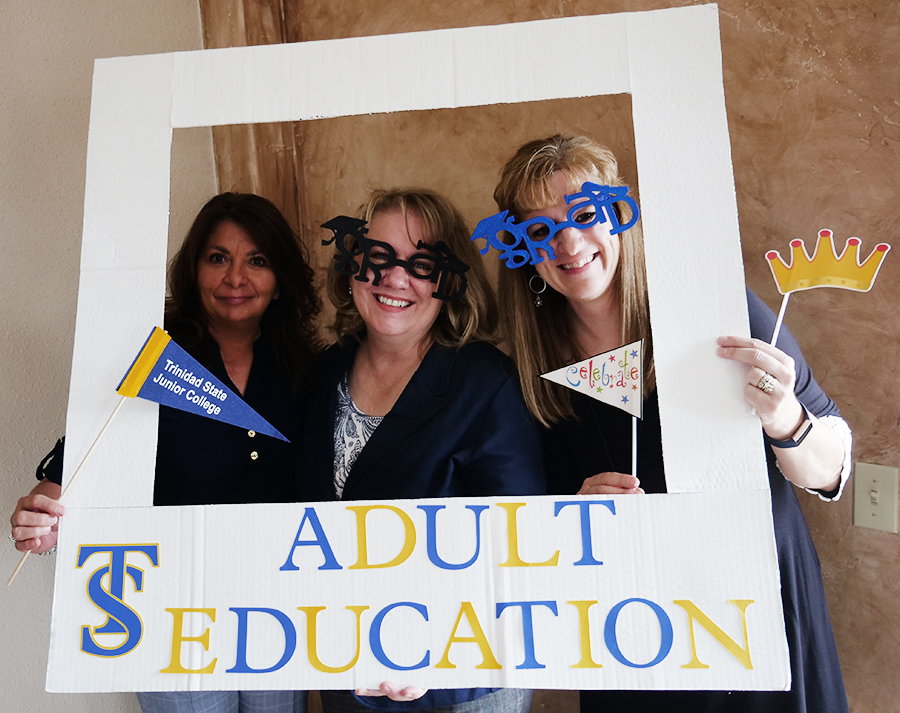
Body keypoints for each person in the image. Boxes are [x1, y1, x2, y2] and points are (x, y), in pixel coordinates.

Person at [491, 134, 852, 713]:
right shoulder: (529, 361)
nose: (569, 242)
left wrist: (786, 417)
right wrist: (574, 511)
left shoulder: (712, 308)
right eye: (541, 229)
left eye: (584, 215)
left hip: (751, 598)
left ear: (618, 216)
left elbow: (831, 473)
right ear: (520, 249)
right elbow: (532, 519)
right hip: (632, 620)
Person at [10, 192, 322, 713]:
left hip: (276, 612)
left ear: (280, 276)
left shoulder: (308, 369)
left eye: (257, 260)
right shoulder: (153, 361)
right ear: (194, 268)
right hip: (170, 615)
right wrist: (42, 519)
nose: (236, 278)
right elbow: (79, 466)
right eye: (218, 257)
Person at [300, 188, 546, 713]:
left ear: (449, 281)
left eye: (422, 263)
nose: (395, 278)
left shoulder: (487, 384)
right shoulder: (322, 373)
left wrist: (433, 650)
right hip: (348, 671)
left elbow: (521, 547)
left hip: (458, 679)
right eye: (378, 256)